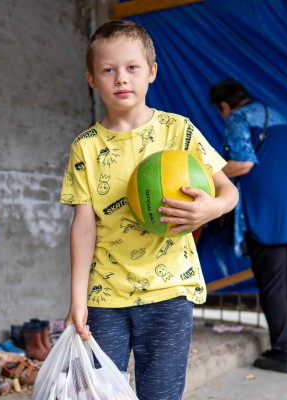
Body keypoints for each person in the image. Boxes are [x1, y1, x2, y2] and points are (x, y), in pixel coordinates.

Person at [59, 20, 238, 399]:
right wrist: (77, 299)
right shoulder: (86, 147)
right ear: (92, 79)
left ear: (152, 72)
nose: (121, 78)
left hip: (169, 292)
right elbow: (83, 226)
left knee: (161, 394)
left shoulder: (179, 131)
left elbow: (229, 190)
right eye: (108, 70)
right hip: (105, 296)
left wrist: (211, 209)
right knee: (100, 394)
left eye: (132, 67)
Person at [209, 79, 287, 374]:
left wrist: (208, 172)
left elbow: (243, 163)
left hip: (267, 208)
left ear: (224, 105)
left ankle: (284, 354)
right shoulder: (274, 114)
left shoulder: (238, 117)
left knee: (271, 283)